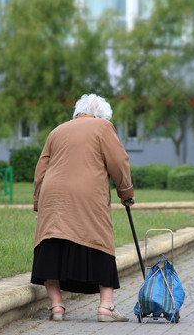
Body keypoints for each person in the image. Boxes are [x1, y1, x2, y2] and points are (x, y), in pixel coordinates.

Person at [31, 94, 135, 322]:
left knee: (52, 240)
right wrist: (126, 193)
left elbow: (41, 168)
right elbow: (119, 161)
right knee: (99, 240)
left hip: (53, 193)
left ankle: (57, 307)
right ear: (101, 115)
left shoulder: (57, 130)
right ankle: (106, 308)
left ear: (78, 111)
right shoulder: (103, 127)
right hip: (87, 193)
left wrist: (38, 200)